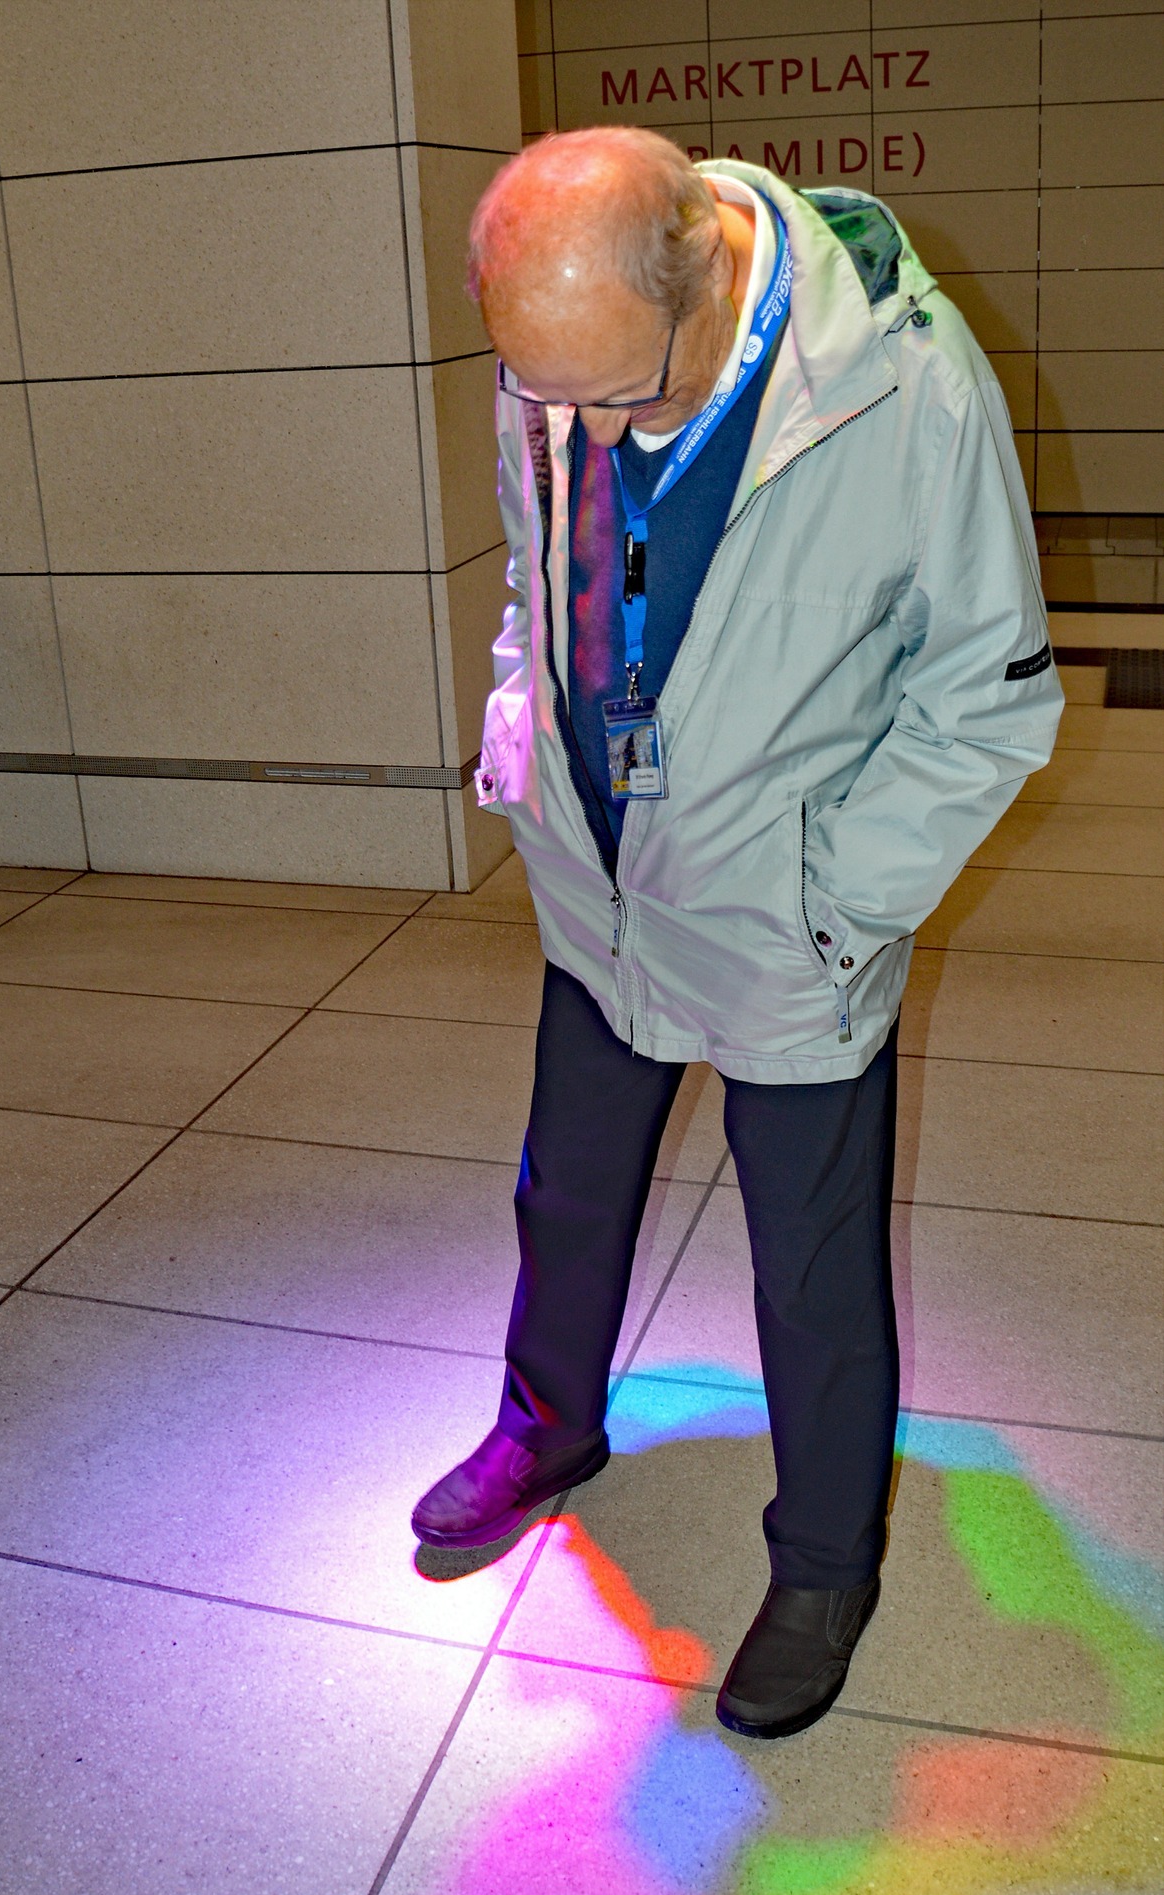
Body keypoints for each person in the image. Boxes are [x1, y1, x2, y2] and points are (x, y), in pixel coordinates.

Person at [410, 129, 1063, 1739]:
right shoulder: (565, 356)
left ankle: (827, 1557)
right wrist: (520, 715)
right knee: (565, 1186)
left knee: (810, 1262)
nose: (574, 425)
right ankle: (548, 1421)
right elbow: (533, 563)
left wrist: (838, 894)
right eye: (539, 389)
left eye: (613, 396)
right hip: (601, 863)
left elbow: (988, 694)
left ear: (702, 271)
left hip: (786, 889)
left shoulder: (903, 386)